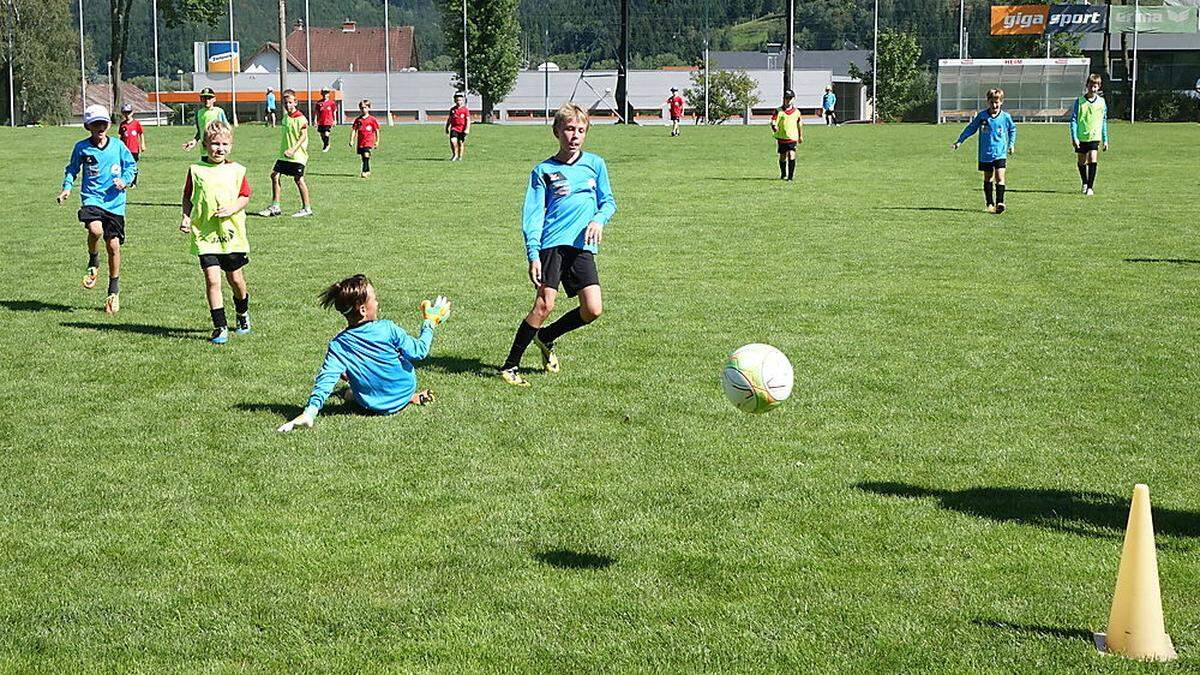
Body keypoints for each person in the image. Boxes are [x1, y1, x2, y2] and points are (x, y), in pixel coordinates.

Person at [499, 103, 616, 387]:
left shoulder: (596, 164)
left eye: (580, 130)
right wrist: (533, 254)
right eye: (569, 129)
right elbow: (533, 215)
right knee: (544, 305)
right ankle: (510, 366)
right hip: (552, 245)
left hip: (582, 246)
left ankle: (547, 336)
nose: (574, 136)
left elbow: (608, 201)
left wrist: (598, 219)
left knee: (593, 309)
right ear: (556, 131)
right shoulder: (543, 170)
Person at [276, 275, 450, 432]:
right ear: (363, 310)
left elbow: (326, 380)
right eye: (374, 299)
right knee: (351, 386)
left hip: (374, 406)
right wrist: (429, 323)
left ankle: (364, 394)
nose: (377, 302)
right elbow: (420, 351)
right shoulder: (387, 328)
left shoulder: (338, 345)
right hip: (404, 389)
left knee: (348, 386)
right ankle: (408, 399)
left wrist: (310, 412)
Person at [57, 104, 137, 315]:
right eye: (95, 124)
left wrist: (125, 180)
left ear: (108, 124)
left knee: (113, 246)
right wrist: (66, 188)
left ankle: (113, 291)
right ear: (88, 126)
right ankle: (93, 259)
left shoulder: (118, 146)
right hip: (92, 198)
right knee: (95, 231)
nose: (100, 127)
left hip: (115, 202)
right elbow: (72, 169)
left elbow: (131, 166)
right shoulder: (81, 147)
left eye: (103, 123)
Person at [180, 120, 254, 344]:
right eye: (214, 144)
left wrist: (233, 208)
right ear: (205, 145)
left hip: (232, 236)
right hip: (206, 236)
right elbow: (187, 197)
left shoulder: (237, 170)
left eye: (224, 144)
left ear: (230, 146)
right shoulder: (196, 171)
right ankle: (220, 326)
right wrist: (185, 216)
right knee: (213, 281)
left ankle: (242, 313)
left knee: (236, 280)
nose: (219, 148)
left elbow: (245, 196)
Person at [953, 88, 1016, 214]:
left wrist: (1011, 144)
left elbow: (1012, 129)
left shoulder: (1005, 117)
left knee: (1000, 176)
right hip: (985, 153)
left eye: (997, 102)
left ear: (1001, 102)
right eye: (992, 102)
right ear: (988, 102)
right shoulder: (982, 116)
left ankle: (1000, 203)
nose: (994, 105)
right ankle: (989, 203)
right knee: (988, 177)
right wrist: (960, 141)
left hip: (1000, 152)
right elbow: (971, 128)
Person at [257, 90, 313, 218]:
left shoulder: (301, 118)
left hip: (297, 156)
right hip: (284, 155)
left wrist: (293, 149)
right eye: (285, 103)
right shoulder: (286, 117)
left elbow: (303, 136)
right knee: (274, 176)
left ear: (295, 102)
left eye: (290, 102)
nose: (288, 105)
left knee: (298, 179)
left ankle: (307, 208)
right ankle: (275, 206)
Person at [1069, 73, 1109, 196]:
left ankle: (1090, 187)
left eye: (1096, 86)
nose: (1093, 88)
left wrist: (1105, 139)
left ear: (1099, 87)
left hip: (1094, 136)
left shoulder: (1102, 102)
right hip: (1081, 137)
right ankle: (1085, 182)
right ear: (1087, 85)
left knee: (1092, 158)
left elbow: (1104, 121)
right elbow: (1074, 120)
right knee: (1082, 161)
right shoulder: (1079, 101)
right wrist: (1074, 137)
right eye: (1091, 85)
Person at [770, 89, 803, 181]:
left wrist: (800, 136)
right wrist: (774, 127)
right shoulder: (778, 111)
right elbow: (773, 121)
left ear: (794, 99)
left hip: (792, 138)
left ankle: (790, 177)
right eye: (786, 98)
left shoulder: (797, 112)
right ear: (783, 99)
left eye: (790, 98)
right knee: (783, 156)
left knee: (792, 155)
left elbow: (799, 124)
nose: (788, 100)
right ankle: (783, 173)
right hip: (782, 138)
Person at [182, 87, 228, 152]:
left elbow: (227, 129)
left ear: (214, 99)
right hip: (204, 149)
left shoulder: (219, 111)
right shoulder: (199, 113)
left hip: (217, 150)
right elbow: (200, 131)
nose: (207, 100)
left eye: (209, 98)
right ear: (201, 99)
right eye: (204, 98)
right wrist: (194, 141)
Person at [349, 99, 381, 179]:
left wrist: (377, 141)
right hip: (360, 142)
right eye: (361, 108)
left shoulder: (372, 120)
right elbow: (354, 130)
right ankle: (368, 170)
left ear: (369, 108)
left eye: (365, 108)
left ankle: (364, 172)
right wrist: (351, 140)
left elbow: (377, 130)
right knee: (364, 157)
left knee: (366, 154)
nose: (363, 109)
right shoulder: (358, 120)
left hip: (368, 141)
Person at [117, 103, 145, 187]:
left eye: (128, 112)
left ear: (132, 113)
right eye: (125, 112)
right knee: (123, 165)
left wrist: (142, 144)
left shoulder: (136, 123)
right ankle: (124, 182)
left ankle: (133, 183)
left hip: (134, 149)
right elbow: (120, 135)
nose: (127, 115)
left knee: (133, 166)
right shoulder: (123, 125)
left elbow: (141, 133)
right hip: (125, 149)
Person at [445, 93, 471, 161]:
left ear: (462, 101)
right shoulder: (453, 110)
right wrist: (447, 127)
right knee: (453, 141)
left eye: (460, 100)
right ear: (455, 101)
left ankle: (460, 157)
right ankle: (455, 155)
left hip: (462, 129)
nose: (458, 102)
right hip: (454, 128)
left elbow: (468, 120)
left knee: (460, 143)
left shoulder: (465, 110)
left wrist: (467, 129)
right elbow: (450, 119)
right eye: (457, 100)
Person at [316, 87, 338, 152]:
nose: (325, 94)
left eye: (326, 93)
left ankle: (327, 145)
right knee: (322, 135)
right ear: (321, 93)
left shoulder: (331, 103)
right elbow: (317, 112)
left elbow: (334, 111)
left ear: (328, 94)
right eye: (324, 93)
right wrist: (315, 120)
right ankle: (325, 144)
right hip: (321, 121)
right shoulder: (319, 103)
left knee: (326, 133)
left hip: (328, 121)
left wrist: (335, 120)